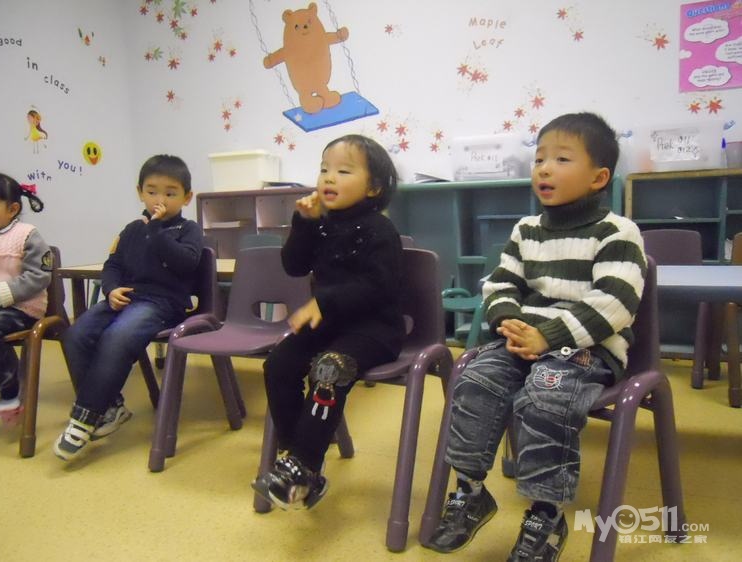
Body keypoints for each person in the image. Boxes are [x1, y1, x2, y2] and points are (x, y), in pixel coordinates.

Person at [427, 112, 647, 561]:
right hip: (525, 342)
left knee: (545, 396)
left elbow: (615, 303)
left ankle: (546, 515)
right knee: (475, 380)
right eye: (540, 158)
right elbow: (499, 285)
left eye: (562, 159)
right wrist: (509, 322)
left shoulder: (618, 232)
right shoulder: (526, 231)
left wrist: (547, 336)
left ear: (598, 178)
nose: (544, 168)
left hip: (585, 350)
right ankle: (470, 492)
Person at [252, 134, 405, 510]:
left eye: (344, 171)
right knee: (279, 364)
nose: (329, 178)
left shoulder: (380, 230)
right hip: (331, 326)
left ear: (374, 187)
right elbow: (294, 265)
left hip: (375, 330)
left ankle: (302, 465)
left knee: (328, 370)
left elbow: (379, 287)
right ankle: (298, 460)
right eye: (324, 169)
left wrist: (325, 300)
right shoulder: (321, 224)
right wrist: (303, 223)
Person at [54, 154, 203, 461]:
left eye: (170, 193)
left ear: (186, 197)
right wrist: (110, 288)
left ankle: (84, 417)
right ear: (140, 192)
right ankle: (111, 408)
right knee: (75, 334)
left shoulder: (188, 229)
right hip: (125, 298)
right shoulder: (132, 229)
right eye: (152, 191)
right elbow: (113, 264)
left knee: (117, 337)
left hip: (164, 304)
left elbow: (187, 263)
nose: (160, 199)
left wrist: (158, 230)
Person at [0, 173, 51, 421]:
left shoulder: (26, 234)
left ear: (12, 209)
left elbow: (39, 277)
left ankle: (9, 384)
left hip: (22, 308)